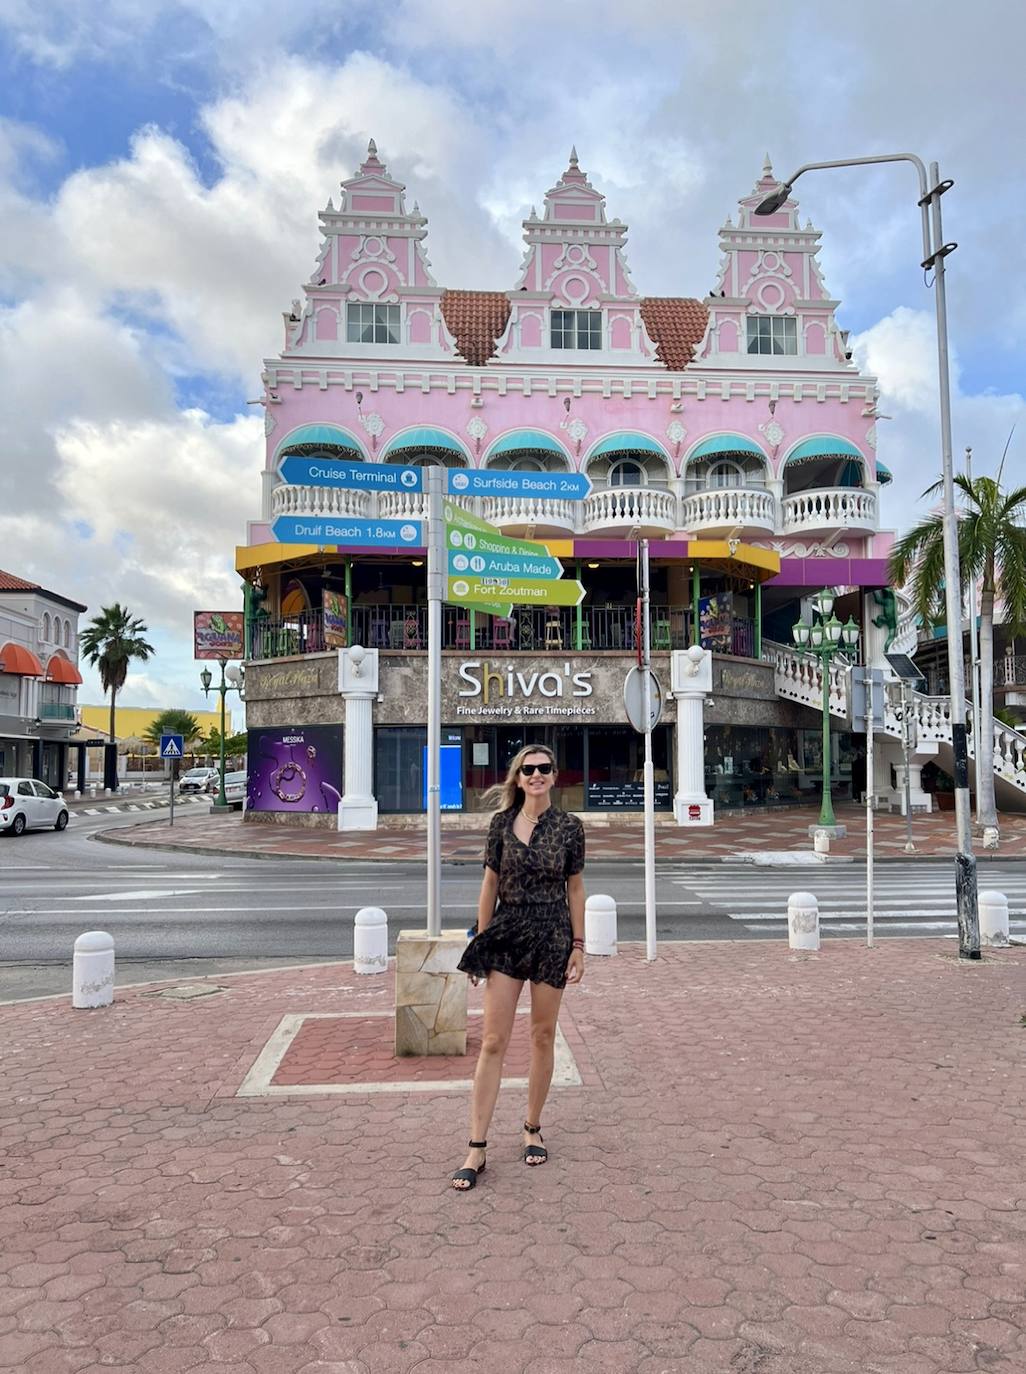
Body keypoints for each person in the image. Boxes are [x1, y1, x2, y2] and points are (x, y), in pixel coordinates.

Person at [450, 744, 586, 1191]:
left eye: (544, 768)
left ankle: (532, 1127)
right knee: (493, 1041)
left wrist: (579, 946)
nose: (536, 775)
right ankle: (476, 1145)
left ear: (554, 774)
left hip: (552, 937)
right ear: (517, 777)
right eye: (528, 769)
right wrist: (483, 941)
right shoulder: (500, 825)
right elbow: (489, 885)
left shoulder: (569, 828)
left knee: (543, 1035)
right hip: (507, 936)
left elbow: (576, 890)